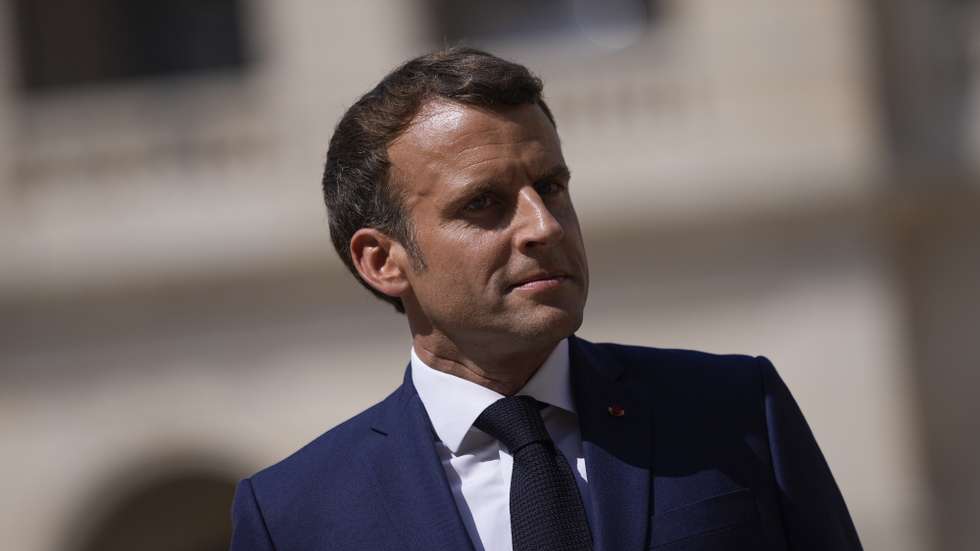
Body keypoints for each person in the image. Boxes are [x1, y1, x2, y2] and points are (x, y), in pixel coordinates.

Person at [230, 47, 863, 551]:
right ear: (383, 260)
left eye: (551, 186)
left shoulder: (736, 413)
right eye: (484, 203)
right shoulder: (294, 515)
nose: (545, 226)